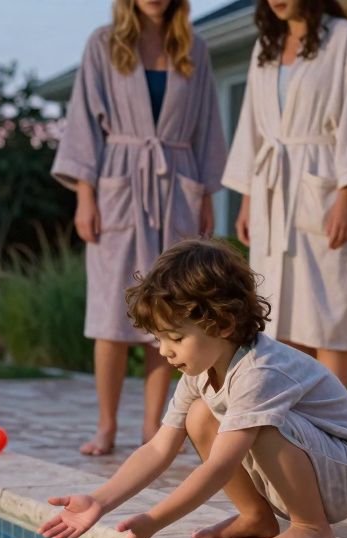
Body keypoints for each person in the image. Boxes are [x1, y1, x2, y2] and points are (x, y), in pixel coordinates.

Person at [37, 240, 347, 538]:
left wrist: (153, 521)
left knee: (260, 425)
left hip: (345, 474)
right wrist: (100, 500)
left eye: (175, 337)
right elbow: (158, 449)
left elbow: (218, 467)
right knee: (200, 415)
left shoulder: (260, 371)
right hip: (315, 467)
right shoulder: (200, 371)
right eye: (158, 337)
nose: (164, 350)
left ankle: (311, 527)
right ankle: (256, 517)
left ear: (223, 323)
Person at [52, 0, 228, 456]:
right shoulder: (105, 44)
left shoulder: (194, 48)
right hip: (119, 184)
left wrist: (205, 194)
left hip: (177, 184)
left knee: (168, 313)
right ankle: (106, 426)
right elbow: (83, 125)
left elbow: (208, 126)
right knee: (110, 315)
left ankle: (153, 428)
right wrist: (84, 196)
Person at [223, 0, 347, 385]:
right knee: (278, 315)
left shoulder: (344, 38)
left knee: (329, 315)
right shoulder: (266, 45)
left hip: (324, 187)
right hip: (271, 191)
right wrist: (247, 199)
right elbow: (252, 127)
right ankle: (294, 432)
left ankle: (335, 436)